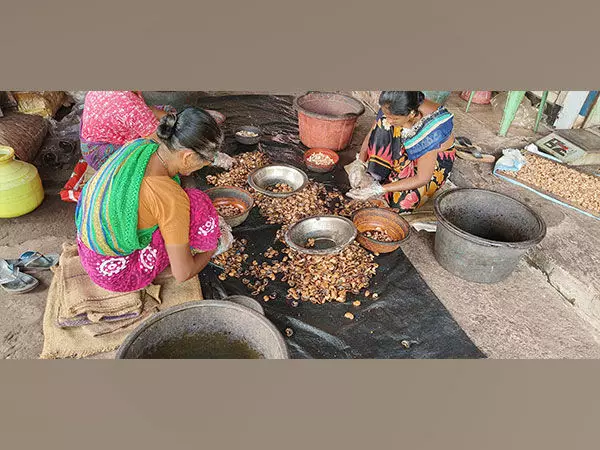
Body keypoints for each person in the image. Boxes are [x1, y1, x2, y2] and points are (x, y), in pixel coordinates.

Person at [75, 107, 233, 293]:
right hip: (117, 274)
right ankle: (214, 242)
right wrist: (212, 248)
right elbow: (183, 273)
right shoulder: (170, 197)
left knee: (168, 212)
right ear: (187, 156)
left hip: (88, 251)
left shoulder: (139, 145)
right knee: (197, 202)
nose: (206, 164)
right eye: (206, 160)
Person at [346, 91, 456, 212]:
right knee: (383, 123)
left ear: (411, 114)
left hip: (430, 166)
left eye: (395, 118)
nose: (390, 120)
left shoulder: (431, 129)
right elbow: (373, 131)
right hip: (408, 143)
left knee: (399, 203)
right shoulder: (394, 103)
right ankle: (378, 174)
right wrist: (360, 161)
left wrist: (379, 189)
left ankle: (386, 182)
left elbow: (422, 178)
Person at [79, 91, 233, 171]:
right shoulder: (126, 104)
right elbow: (161, 141)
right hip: (101, 151)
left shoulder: (126, 93)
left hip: (106, 132)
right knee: (161, 154)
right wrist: (211, 156)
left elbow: (148, 109)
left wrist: (180, 120)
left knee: (168, 111)